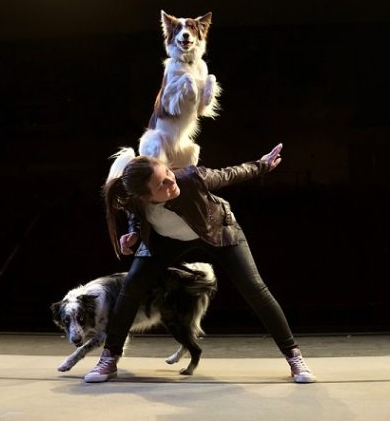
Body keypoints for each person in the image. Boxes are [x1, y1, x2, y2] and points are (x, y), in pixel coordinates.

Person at [84, 143, 316, 384]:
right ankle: (109, 358)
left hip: (215, 230)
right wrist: (133, 232)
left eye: (168, 173)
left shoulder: (190, 178)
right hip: (166, 239)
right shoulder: (133, 199)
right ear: (145, 197)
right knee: (131, 286)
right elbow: (136, 215)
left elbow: (230, 174)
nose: (171, 181)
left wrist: (263, 165)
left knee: (255, 289)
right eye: (161, 184)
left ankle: (294, 357)